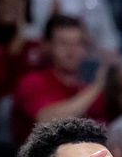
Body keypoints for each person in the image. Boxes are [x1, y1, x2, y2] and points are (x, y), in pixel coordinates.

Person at [11, 15, 107, 144]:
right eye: (63, 43)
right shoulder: (32, 82)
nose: (72, 51)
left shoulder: (86, 89)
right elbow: (47, 121)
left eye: (78, 43)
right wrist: (97, 86)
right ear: (47, 46)